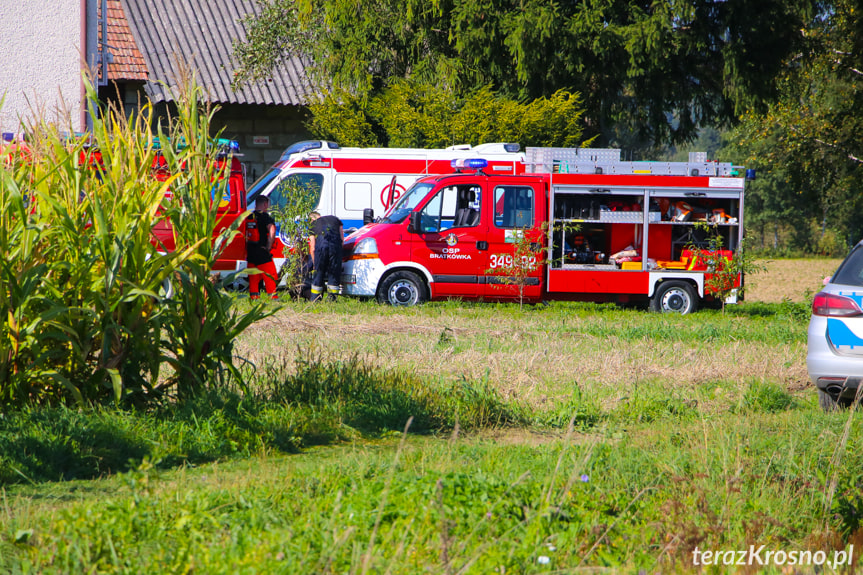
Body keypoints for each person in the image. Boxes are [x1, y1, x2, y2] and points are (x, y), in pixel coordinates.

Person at [245, 195, 278, 300]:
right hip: (262, 251)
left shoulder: (249, 216)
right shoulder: (265, 216)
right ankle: (273, 297)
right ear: (265, 204)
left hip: (250, 252)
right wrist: (268, 247)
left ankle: (254, 297)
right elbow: (272, 230)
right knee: (271, 275)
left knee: (253, 277)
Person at [308, 211, 343, 302]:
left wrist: (314, 263)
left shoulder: (313, 225)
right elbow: (342, 239)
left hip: (321, 248)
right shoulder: (335, 219)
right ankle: (332, 299)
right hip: (335, 247)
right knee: (333, 273)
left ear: (312, 219)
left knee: (318, 273)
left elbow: (312, 247)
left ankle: (315, 299)